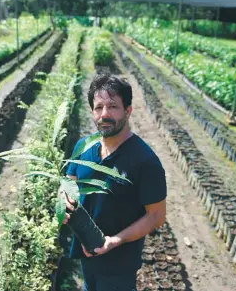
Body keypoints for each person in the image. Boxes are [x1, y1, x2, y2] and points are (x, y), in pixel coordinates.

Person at [64, 73, 167, 291]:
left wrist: (116, 240)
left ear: (128, 111)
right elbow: (68, 184)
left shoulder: (145, 161)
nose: (105, 114)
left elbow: (156, 216)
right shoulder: (83, 147)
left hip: (119, 266)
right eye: (98, 107)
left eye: (113, 106)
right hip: (87, 252)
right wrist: (63, 205)